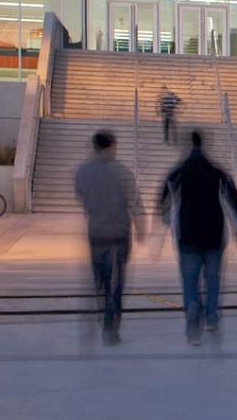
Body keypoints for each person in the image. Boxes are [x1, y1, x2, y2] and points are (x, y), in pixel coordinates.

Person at [158, 130, 237, 345]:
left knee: (189, 280)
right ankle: (211, 317)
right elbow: (233, 202)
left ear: (187, 146)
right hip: (214, 235)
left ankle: (192, 309)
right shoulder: (217, 172)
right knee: (213, 278)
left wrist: (166, 222)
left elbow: (165, 201)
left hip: (187, 235)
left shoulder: (178, 172)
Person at [73, 130, 145, 346]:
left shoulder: (83, 171)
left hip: (96, 233)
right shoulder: (122, 171)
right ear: (112, 145)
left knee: (101, 281)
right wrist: (141, 228)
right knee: (117, 283)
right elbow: (135, 202)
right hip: (120, 234)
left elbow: (80, 195)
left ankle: (104, 317)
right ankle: (111, 326)